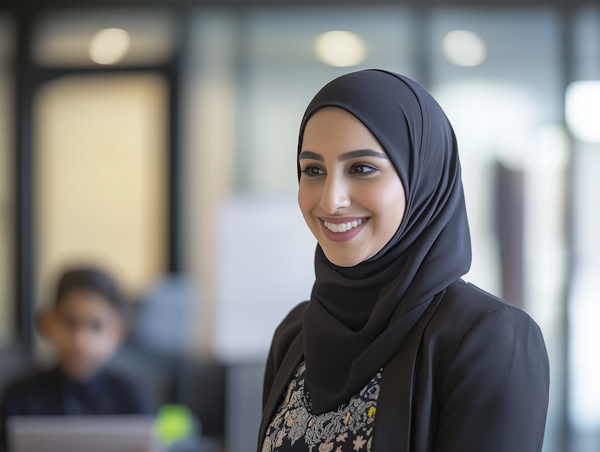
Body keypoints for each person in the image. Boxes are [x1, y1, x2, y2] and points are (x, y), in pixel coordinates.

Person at [258, 70, 549, 452]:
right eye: (313, 170)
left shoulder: (489, 339)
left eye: (361, 168)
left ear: (422, 179)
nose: (330, 201)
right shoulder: (295, 334)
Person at [0, 267, 156, 449]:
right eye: (70, 323)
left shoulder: (131, 395)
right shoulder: (20, 395)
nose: (80, 341)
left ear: (118, 332)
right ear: (48, 323)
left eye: (96, 326)